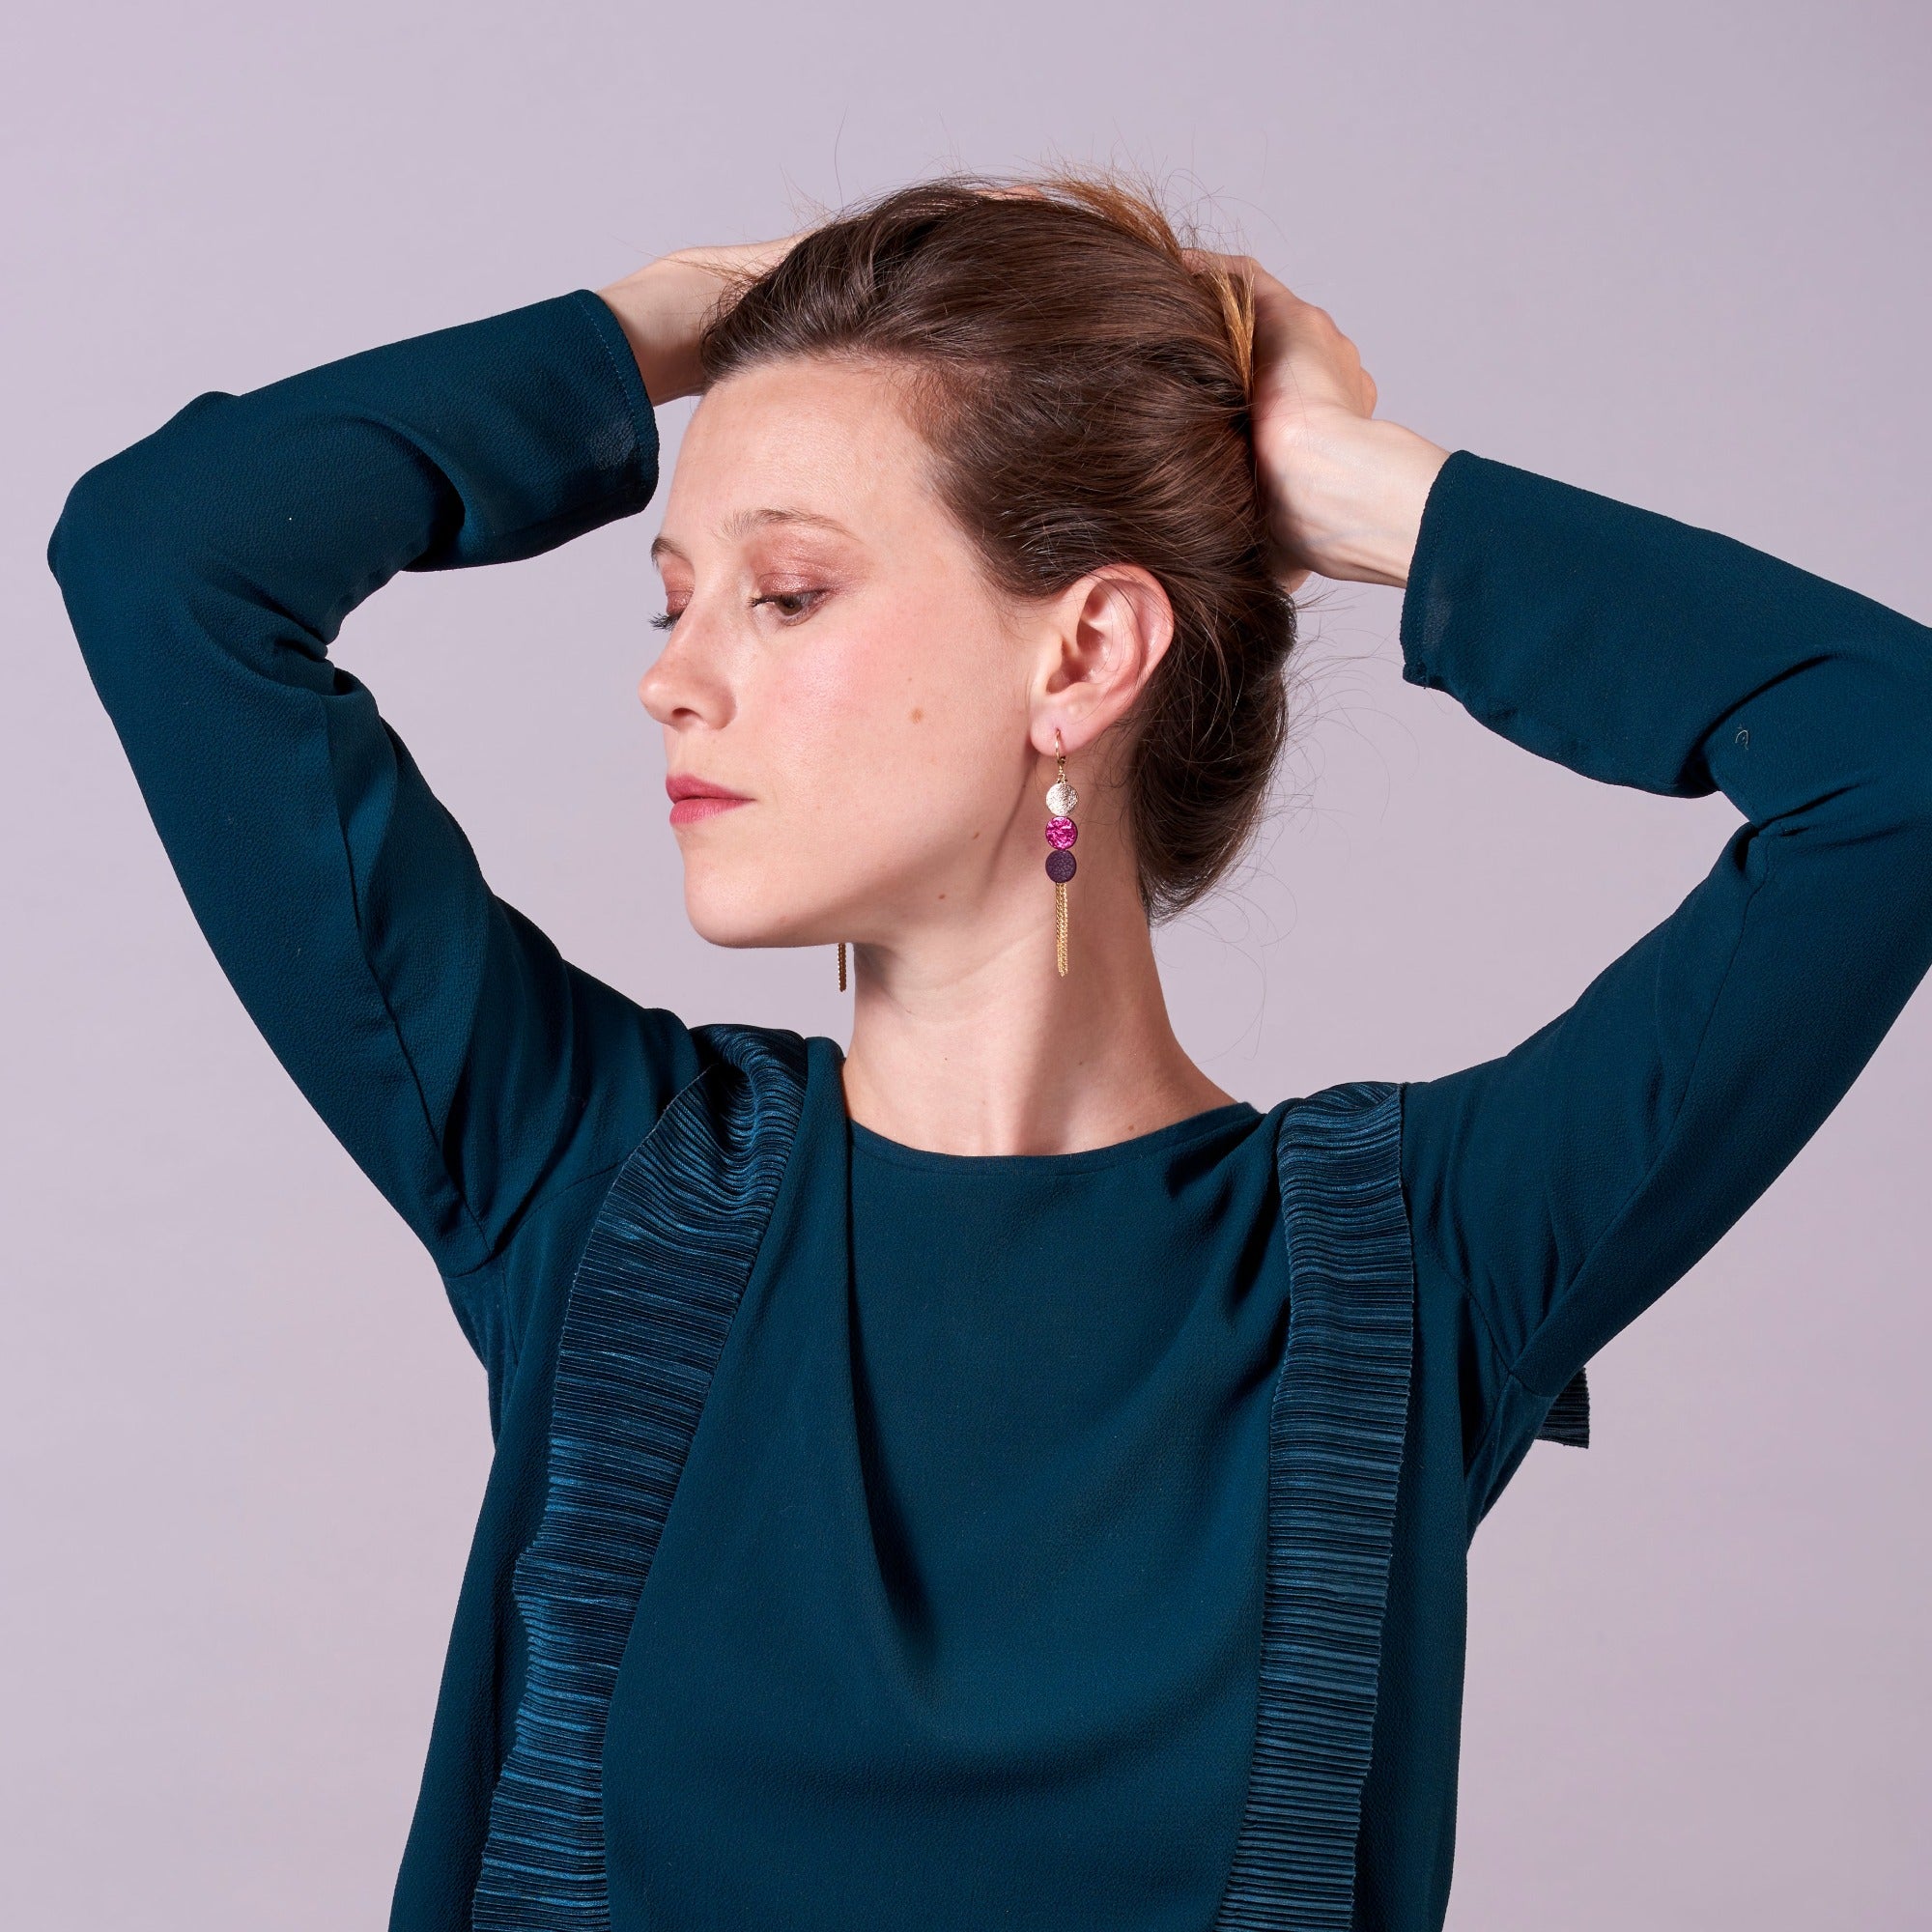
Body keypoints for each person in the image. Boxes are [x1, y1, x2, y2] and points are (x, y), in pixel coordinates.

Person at [47, 176, 1932, 1932]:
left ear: (1086, 652)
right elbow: (166, 556)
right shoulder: (597, 1181)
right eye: (673, 595)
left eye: (785, 591)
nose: (669, 677)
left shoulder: (1401, 1268)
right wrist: (677, 323)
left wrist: (1348, 488)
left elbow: (1893, 765)